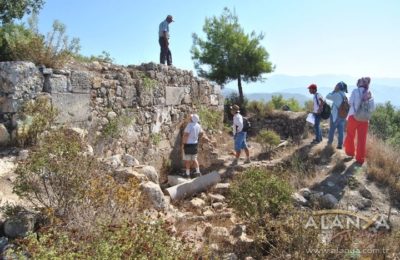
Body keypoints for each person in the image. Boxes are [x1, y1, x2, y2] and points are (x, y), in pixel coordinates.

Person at [344, 77, 374, 165]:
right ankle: (360, 159)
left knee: (350, 135)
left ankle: (350, 152)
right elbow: (372, 108)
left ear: (358, 84)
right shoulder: (370, 93)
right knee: (362, 139)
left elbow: (350, 102)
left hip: (353, 116)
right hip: (365, 119)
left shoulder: (355, 91)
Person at [181, 114, 207, 178]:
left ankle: (187, 174)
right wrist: (197, 139)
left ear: (192, 119)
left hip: (188, 144)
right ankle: (198, 172)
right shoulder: (198, 125)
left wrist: (183, 143)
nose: (189, 118)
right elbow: (201, 133)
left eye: (191, 117)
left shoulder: (189, 125)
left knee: (187, 160)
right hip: (195, 144)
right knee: (195, 159)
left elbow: (186, 135)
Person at [326, 81, 348, 149]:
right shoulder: (345, 95)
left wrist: (334, 90)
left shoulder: (336, 94)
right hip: (343, 116)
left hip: (335, 115)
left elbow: (327, 96)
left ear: (339, 87)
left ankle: (329, 143)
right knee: (341, 131)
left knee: (332, 130)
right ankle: (340, 145)